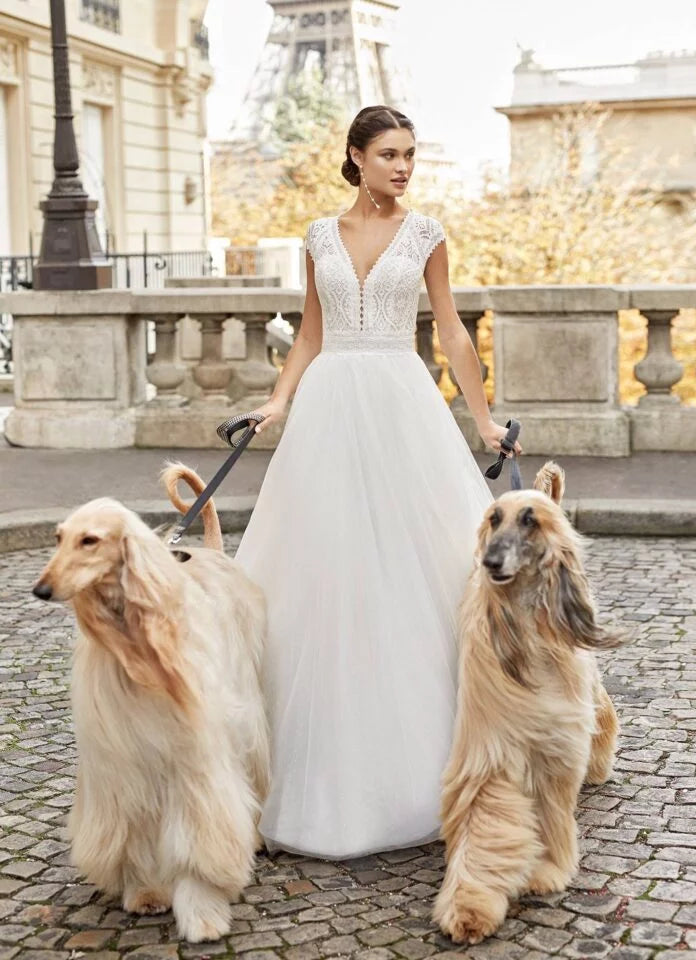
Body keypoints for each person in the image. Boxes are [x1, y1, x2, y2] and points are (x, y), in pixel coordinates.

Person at [234, 105, 521, 860]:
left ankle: (448, 759)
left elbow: (452, 330)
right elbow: (311, 330)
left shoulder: (426, 232)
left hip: (402, 397)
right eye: (389, 154)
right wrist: (278, 399)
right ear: (355, 157)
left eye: (411, 155)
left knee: (417, 571)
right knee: (321, 572)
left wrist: (483, 421)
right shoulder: (319, 237)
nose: (403, 167)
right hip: (329, 403)